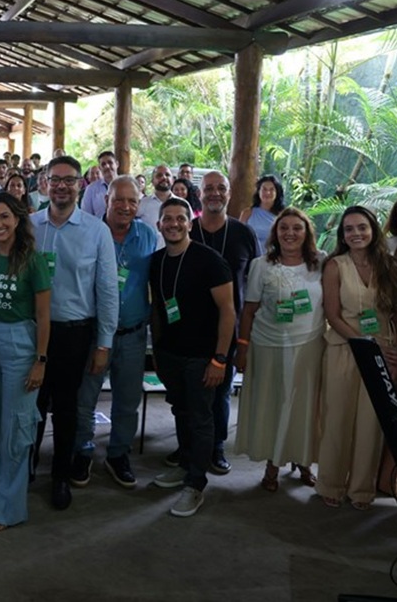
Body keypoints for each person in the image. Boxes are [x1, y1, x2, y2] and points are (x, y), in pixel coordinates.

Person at [29, 157, 118, 510]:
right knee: (31, 406)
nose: (62, 186)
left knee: (66, 409)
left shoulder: (97, 231)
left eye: (69, 180)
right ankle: (25, 470)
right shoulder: (29, 226)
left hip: (74, 334)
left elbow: (107, 290)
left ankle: (60, 477)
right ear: (45, 183)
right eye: (55, 180)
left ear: (81, 184)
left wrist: (104, 343)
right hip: (31, 333)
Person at [149, 197, 235, 517]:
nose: (174, 224)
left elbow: (228, 311)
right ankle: (185, 465)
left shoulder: (209, 260)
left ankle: (195, 484)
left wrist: (220, 359)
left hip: (203, 356)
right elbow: (158, 309)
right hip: (170, 353)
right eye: (168, 219)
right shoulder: (157, 261)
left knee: (200, 418)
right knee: (181, 411)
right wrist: (157, 353)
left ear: (190, 222)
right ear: (159, 224)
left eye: (180, 218)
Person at [72, 175, 159, 489]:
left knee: (127, 400)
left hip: (133, 334)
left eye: (132, 201)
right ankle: (82, 450)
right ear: (105, 200)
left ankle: (118, 453)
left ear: (139, 204)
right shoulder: (88, 232)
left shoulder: (148, 235)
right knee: (85, 398)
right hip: (94, 334)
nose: (125, 206)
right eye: (118, 199)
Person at [316, 206, 397, 510]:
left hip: (383, 352)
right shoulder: (335, 265)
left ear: (373, 230)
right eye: (349, 229)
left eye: (362, 227)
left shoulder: (389, 265)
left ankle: (362, 489)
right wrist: (364, 343)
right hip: (344, 348)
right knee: (337, 418)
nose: (356, 234)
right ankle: (331, 483)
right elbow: (332, 315)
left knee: (371, 422)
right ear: (342, 235)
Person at [234, 208, 326, 492]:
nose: (290, 233)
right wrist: (242, 348)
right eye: (284, 228)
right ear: (275, 233)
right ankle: (272, 464)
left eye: (297, 228)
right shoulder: (261, 264)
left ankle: (303, 461)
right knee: (274, 405)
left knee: (304, 406)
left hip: (309, 344)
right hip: (267, 345)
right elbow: (249, 310)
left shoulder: (321, 262)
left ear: (307, 233)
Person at [0, 192, 50, 531]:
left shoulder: (33, 260)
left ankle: (7, 508)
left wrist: (40, 360)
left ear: (18, 219)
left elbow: (43, 315)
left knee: (16, 428)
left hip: (20, 342)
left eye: (4, 216)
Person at [190, 171, 258, 476]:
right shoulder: (187, 229)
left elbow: (254, 283)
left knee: (220, 393)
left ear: (229, 194)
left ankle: (216, 447)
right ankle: (188, 445)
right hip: (191, 328)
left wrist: (245, 339)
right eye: (209, 189)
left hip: (229, 330)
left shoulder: (244, 234)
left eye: (221, 188)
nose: (214, 193)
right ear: (200, 194)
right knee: (189, 392)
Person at [240, 174, 285, 255]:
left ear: (277, 193)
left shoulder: (282, 216)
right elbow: (238, 238)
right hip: (249, 257)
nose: (267, 192)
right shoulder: (247, 213)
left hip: (274, 258)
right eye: (264, 189)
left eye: (271, 190)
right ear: (258, 191)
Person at [81, 150, 117, 218]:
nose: (107, 166)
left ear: (117, 164)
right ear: (100, 168)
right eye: (103, 164)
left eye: (110, 162)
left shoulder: (128, 185)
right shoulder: (91, 189)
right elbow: (86, 215)